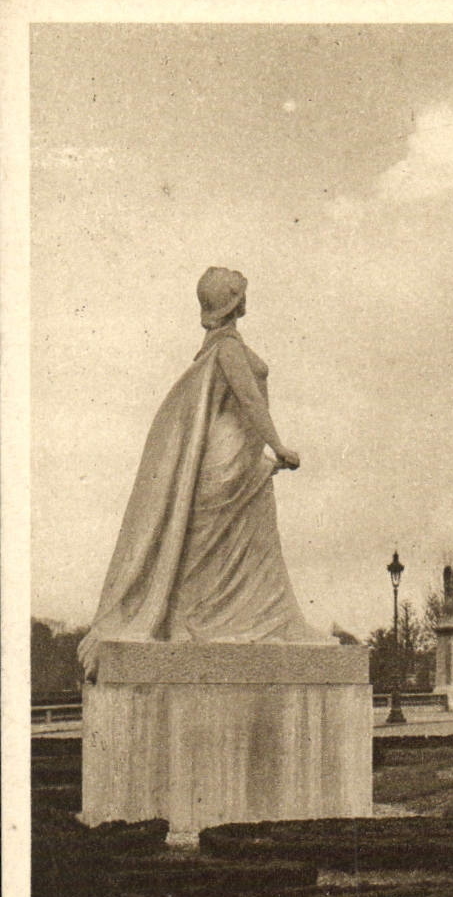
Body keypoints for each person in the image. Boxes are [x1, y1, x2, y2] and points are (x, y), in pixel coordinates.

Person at [79, 267, 325, 681]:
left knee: (228, 549)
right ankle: (215, 624)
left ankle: (220, 622)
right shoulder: (227, 349)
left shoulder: (215, 349)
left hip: (232, 459)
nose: (246, 299)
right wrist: (278, 446)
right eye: (240, 294)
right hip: (230, 462)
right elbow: (249, 399)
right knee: (229, 549)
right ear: (232, 303)